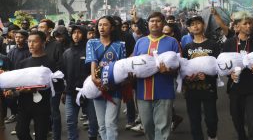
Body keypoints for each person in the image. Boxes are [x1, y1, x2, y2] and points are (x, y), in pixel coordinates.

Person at [133, 12, 180, 140]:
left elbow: (179, 66)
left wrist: (169, 71)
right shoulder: (140, 42)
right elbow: (133, 63)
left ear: (163, 23)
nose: (155, 23)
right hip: (143, 91)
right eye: (152, 21)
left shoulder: (172, 42)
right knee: (147, 126)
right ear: (147, 24)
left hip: (164, 90)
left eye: (158, 21)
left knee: (163, 127)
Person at [222, 9, 253, 140]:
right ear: (237, 26)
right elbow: (224, 66)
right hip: (235, 88)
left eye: (250, 23)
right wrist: (229, 74)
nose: (249, 26)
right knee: (237, 119)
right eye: (245, 23)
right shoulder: (229, 43)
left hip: (252, 87)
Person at [86, 16, 126, 140]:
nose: (101, 27)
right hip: (98, 88)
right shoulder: (92, 42)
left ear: (112, 27)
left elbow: (122, 65)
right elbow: (93, 60)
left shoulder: (120, 45)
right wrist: (94, 78)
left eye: (105, 25)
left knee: (110, 123)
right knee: (102, 125)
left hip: (115, 88)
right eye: (99, 25)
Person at [182, 15, 219, 140]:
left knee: (211, 119)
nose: (195, 26)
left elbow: (219, 67)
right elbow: (183, 69)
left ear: (203, 25)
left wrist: (208, 75)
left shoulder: (213, 45)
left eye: (198, 23)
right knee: (194, 120)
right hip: (191, 89)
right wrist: (187, 78)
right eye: (192, 24)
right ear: (189, 28)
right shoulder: (187, 47)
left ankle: (212, 136)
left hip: (209, 88)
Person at [11, 31, 54, 140]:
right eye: (29, 41)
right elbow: (18, 81)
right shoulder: (23, 63)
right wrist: (15, 90)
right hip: (24, 103)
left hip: (42, 105)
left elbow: (55, 85)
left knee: (41, 136)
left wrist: (35, 88)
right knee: (20, 131)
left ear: (43, 43)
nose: (31, 44)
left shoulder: (50, 62)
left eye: (34, 41)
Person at [62, 25, 98, 140]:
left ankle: (92, 137)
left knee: (93, 120)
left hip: (89, 92)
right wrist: (64, 91)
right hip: (71, 92)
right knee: (70, 120)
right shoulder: (66, 53)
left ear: (83, 34)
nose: (76, 35)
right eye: (73, 33)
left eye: (79, 32)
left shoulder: (90, 51)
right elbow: (64, 74)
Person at [38, 19, 64, 140]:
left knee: (54, 111)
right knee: (42, 111)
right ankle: (44, 132)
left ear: (49, 29)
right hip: (39, 83)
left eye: (42, 27)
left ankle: (56, 136)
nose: (40, 29)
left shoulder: (57, 44)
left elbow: (61, 64)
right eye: (39, 27)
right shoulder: (37, 44)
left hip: (54, 83)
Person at [5, 30, 30, 135]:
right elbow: (8, 65)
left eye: (20, 37)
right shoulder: (12, 51)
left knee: (23, 104)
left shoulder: (29, 50)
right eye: (16, 37)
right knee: (11, 101)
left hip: (25, 80)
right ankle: (16, 118)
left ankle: (21, 126)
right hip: (13, 80)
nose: (18, 39)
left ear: (25, 38)